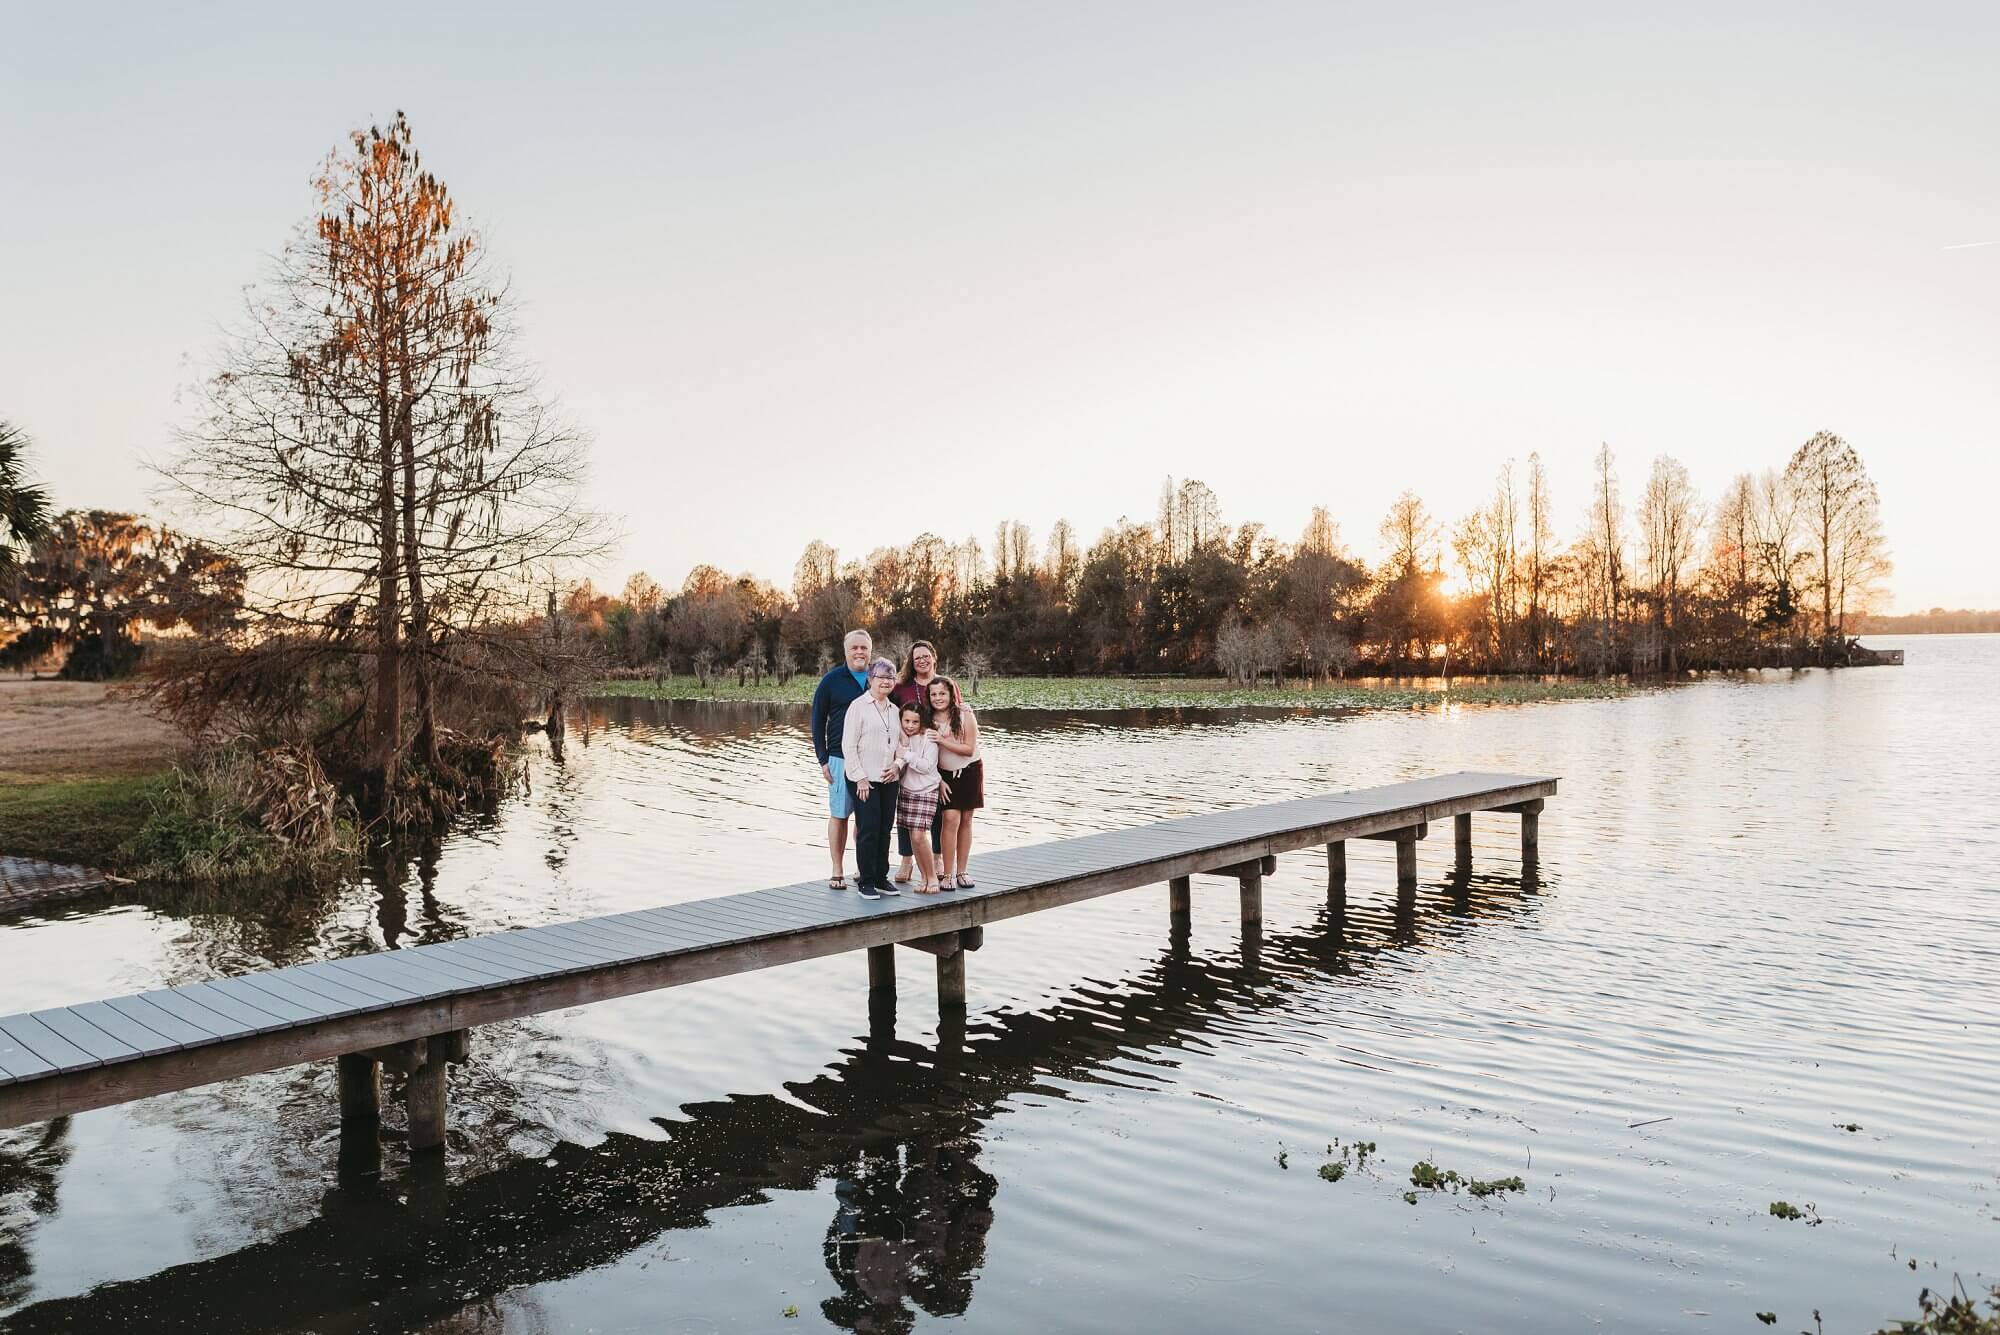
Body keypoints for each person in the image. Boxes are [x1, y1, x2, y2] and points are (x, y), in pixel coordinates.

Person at [811, 630, 873, 889]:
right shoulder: (831, 681)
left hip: (871, 760)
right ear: (846, 651)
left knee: (866, 817)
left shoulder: (878, 678)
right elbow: (817, 720)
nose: (859, 652)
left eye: (864, 648)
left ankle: (862, 867)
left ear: (871, 650)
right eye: (854, 648)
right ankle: (837, 869)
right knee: (840, 814)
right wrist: (822, 759)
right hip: (838, 758)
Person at [841, 657, 905, 899]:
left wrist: (898, 766)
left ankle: (880, 878)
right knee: (868, 828)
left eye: (891, 677)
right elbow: (848, 746)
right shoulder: (858, 706)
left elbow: (902, 746)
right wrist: (860, 778)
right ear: (870, 680)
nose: (887, 681)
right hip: (863, 779)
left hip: (888, 779)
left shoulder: (895, 710)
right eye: (882, 677)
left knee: (885, 829)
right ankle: (865, 882)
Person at [890, 640, 942, 882]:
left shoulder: (943, 684)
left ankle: (937, 856)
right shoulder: (901, 688)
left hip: (936, 750)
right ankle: (906, 860)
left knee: (938, 807)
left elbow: (956, 713)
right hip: (907, 749)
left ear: (933, 656)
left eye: (925, 655)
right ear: (911, 661)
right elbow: (887, 711)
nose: (921, 660)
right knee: (905, 806)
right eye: (916, 657)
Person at [925, 675, 983, 889]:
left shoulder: (964, 713)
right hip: (945, 776)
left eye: (942, 693)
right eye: (933, 694)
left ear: (951, 694)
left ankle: (962, 871)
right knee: (950, 819)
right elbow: (926, 754)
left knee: (966, 819)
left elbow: (968, 749)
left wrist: (942, 740)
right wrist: (939, 780)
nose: (938, 698)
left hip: (970, 771)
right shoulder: (927, 720)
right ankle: (947, 874)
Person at [894, 702, 948, 894]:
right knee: (913, 838)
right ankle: (924, 878)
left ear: (921, 721)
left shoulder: (929, 738)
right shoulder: (900, 738)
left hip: (926, 790)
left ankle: (932, 877)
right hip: (906, 790)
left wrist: (907, 755)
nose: (910, 725)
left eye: (914, 722)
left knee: (919, 835)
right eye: (906, 721)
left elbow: (926, 767)